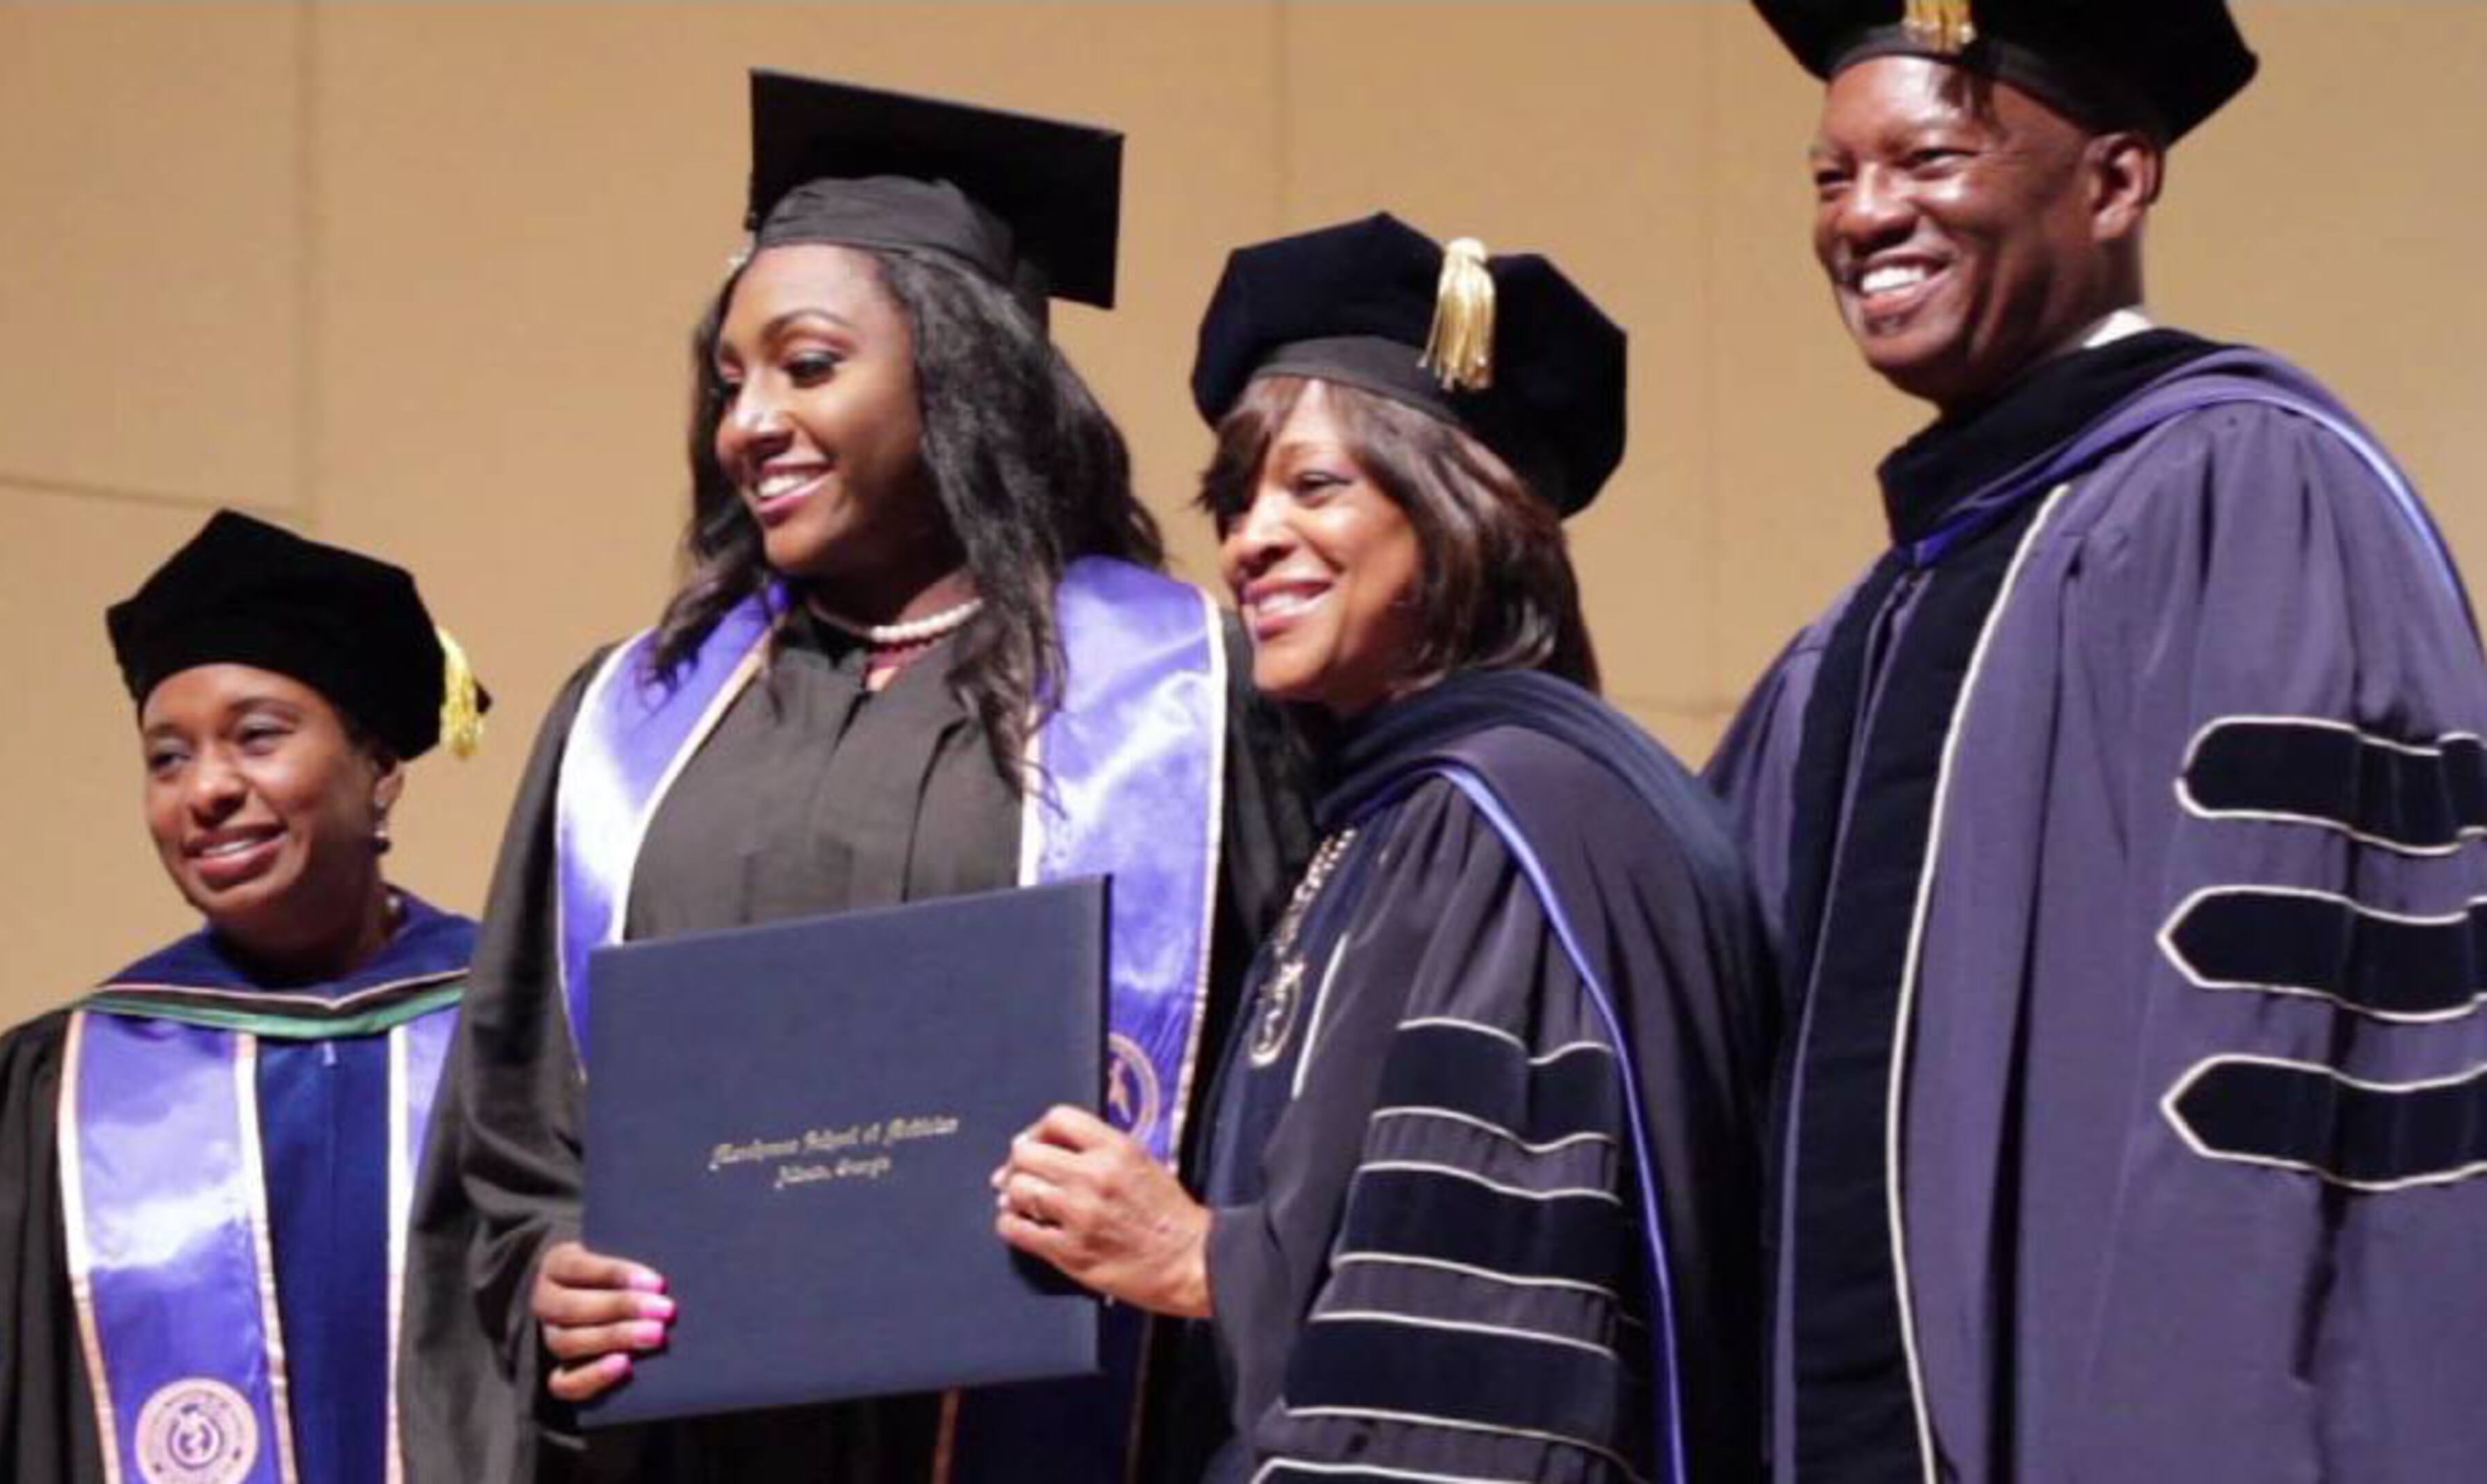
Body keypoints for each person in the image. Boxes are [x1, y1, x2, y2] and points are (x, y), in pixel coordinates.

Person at [398, 72, 1307, 1484]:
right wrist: (548, 1277)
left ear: (961, 374)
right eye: (729, 380)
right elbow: (509, 1137)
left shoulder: (1184, 697)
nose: (745, 423)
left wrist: (1191, 1242)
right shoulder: (631, 725)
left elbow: (1291, 1091)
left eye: (807, 366)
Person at [1711, 3, 2487, 1480]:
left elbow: (2271, 1060)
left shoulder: (2247, 496)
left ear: (2117, 182)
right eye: (1831, 176)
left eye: (1928, 159)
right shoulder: (1871, 628)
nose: (1868, 216)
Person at [994, 212, 1776, 1484]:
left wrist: (1199, 1258)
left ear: (1462, 513)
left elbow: (1480, 1332)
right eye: (1236, 498)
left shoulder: (1512, 824)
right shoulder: (1397, 816)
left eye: (1314, 487)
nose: (1252, 539)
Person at [0, 510, 488, 1484]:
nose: (206, 790)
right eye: (167, 757)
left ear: (380, 769)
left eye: (259, 737)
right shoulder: (57, 1084)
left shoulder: (522, 1040)